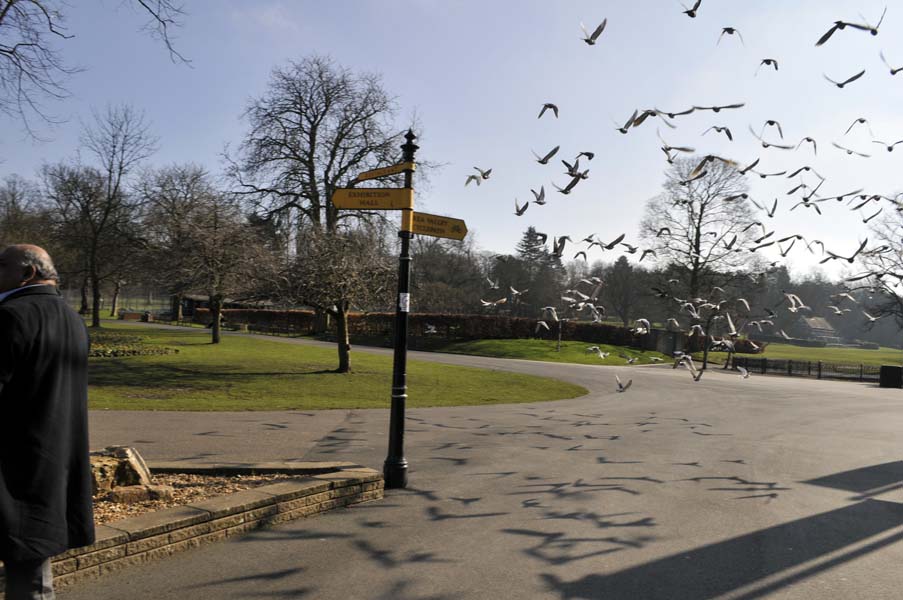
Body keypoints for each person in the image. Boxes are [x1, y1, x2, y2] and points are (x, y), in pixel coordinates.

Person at [0, 245, 94, 599]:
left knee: (27, 570)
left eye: (1, 264)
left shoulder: (11, 315)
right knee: (32, 569)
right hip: (54, 459)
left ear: (27, 274)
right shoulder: (70, 317)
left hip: (15, 462)